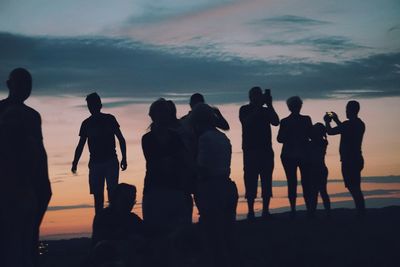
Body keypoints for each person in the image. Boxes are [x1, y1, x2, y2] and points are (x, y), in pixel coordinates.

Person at [0, 68, 52, 267]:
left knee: (26, 241)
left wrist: (44, 185)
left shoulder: (32, 116)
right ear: (9, 85)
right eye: (20, 83)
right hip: (9, 185)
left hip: (27, 185)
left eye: (27, 84)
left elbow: (39, 152)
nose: (24, 88)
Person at [191, 103, 239, 267]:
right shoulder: (223, 137)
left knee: (213, 233)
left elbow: (203, 167)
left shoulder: (204, 138)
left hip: (211, 187)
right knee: (227, 233)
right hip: (227, 185)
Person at [141, 98, 193, 232]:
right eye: (161, 113)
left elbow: (183, 159)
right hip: (158, 189)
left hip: (172, 188)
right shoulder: (148, 139)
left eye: (166, 113)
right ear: (153, 116)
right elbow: (158, 162)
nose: (164, 116)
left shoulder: (174, 137)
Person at [71, 92, 127, 214]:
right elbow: (81, 145)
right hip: (96, 163)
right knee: (98, 197)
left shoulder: (110, 119)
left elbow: (121, 139)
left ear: (99, 105)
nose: (91, 107)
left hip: (111, 161)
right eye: (89, 105)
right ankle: (100, 225)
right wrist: (75, 162)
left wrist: (124, 158)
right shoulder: (86, 124)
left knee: (112, 194)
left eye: (93, 104)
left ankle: (113, 223)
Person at [239, 87, 279, 219]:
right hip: (251, 151)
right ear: (251, 97)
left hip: (266, 150)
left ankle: (265, 210)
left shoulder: (266, 110)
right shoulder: (244, 109)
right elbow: (247, 122)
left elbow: (275, 121)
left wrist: (270, 105)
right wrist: (258, 107)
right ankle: (250, 211)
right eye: (256, 95)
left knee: (267, 180)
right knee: (250, 180)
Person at [324, 101, 366, 216]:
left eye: (347, 109)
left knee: (354, 188)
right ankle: (361, 211)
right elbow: (343, 128)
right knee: (355, 187)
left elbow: (331, 131)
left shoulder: (349, 124)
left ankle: (361, 213)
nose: (346, 111)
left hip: (349, 160)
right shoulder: (359, 124)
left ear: (351, 110)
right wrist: (336, 120)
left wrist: (327, 122)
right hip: (356, 158)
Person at [277, 96, 312, 217]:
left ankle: (294, 210)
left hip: (290, 155)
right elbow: (311, 135)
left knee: (293, 182)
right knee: (304, 182)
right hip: (298, 154)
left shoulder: (285, 121)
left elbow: (280, 139)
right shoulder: (306, 120)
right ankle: (307, 209)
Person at [308, 123, 331, 216]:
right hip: (321, 169)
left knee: (315, 193)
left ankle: (312, 212)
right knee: (322, 192)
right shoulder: (323, 142)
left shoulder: (316, 143)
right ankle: (327, 213)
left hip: (317, 169)